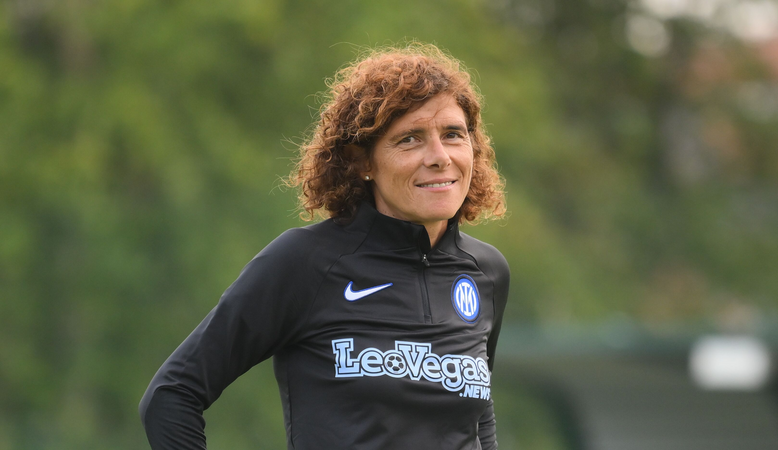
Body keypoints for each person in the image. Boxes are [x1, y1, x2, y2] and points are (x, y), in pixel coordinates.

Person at [139, 43, 509, 450]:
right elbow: (172, 396)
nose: (439, 157)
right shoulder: (306, 263)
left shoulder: (487, 272)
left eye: (453, 135)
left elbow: (478, 419)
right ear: (361, 162)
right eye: (410, 139)